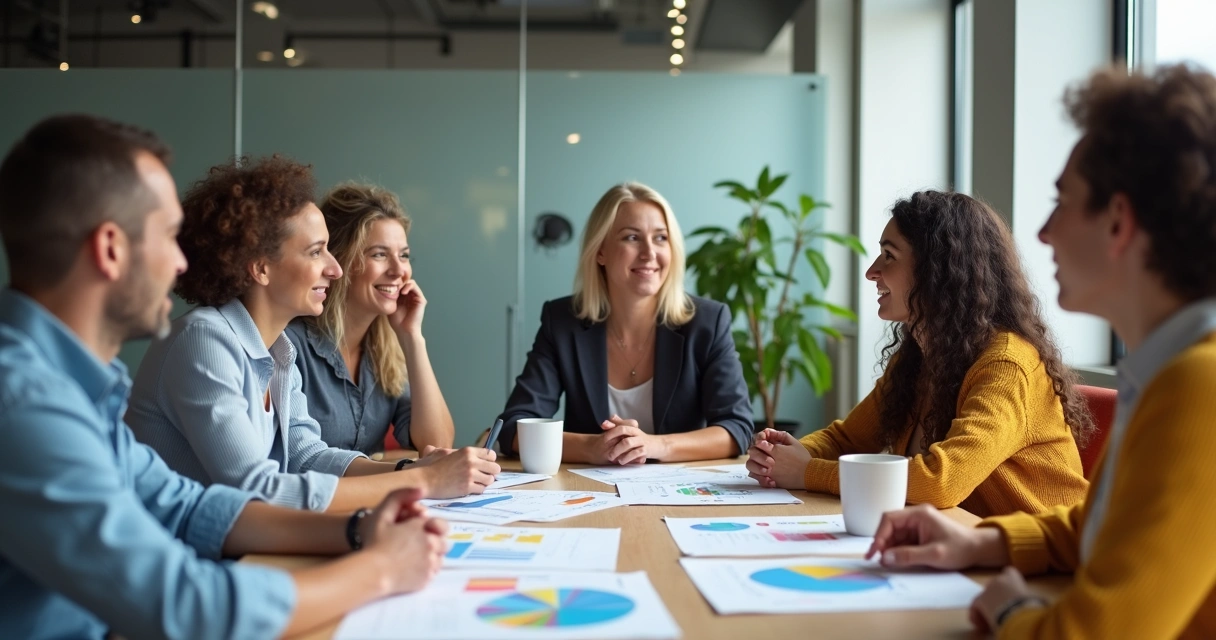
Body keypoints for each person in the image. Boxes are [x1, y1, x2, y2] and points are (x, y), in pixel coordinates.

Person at [0, 114, 447, 639]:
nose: (182, 263)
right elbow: (189, 606)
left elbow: (191, 508)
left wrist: (357, 529)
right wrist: (383, 567)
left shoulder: (76, 388)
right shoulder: (25, 404)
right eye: (169, 237)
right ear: (111, 250)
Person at [866, 64, 1216, 638]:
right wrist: (978, 542)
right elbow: (1101, 528)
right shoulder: (1170, 371)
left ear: (1119, 222)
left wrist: (1009, 607)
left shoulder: (1198, 385)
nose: (1044, 232)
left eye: (1062, 202)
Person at [127, 156, 498, 513]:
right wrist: (424, 483)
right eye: (317, 252)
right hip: (176, 559)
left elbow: (309, 456)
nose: (335, 269)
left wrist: (413, 471)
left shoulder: (278, 348)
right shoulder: (204, 339)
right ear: (261, 268)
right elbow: (256, 489)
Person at [747, 190, 1091, 518]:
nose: (871, 272)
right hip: (962, 548)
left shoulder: (1007, 364)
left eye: (889, 256)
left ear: (937, 271)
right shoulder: (920, 356)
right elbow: (846, 439)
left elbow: (940, 482)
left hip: (1042, 566)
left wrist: (807, 472)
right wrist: (781, 455)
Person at [498, 182, 754, 464]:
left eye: (660, 238)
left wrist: (654, 446)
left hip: (680, 496)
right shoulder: (562, 322)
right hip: (590, 493)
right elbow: (513, 427)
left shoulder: (707, 322)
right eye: (632, 238)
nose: (649, 253)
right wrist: (591, 447)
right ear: (600, 251)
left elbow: (737, 428)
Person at [284, 182, 455, 456]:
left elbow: (437, 444)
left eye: (404, 256)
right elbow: (300, 462)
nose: (399, 271)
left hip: (370, 498)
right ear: (339, 259)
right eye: (379, 254)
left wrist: (412, 338)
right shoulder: (289, 343)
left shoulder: (385, 349)